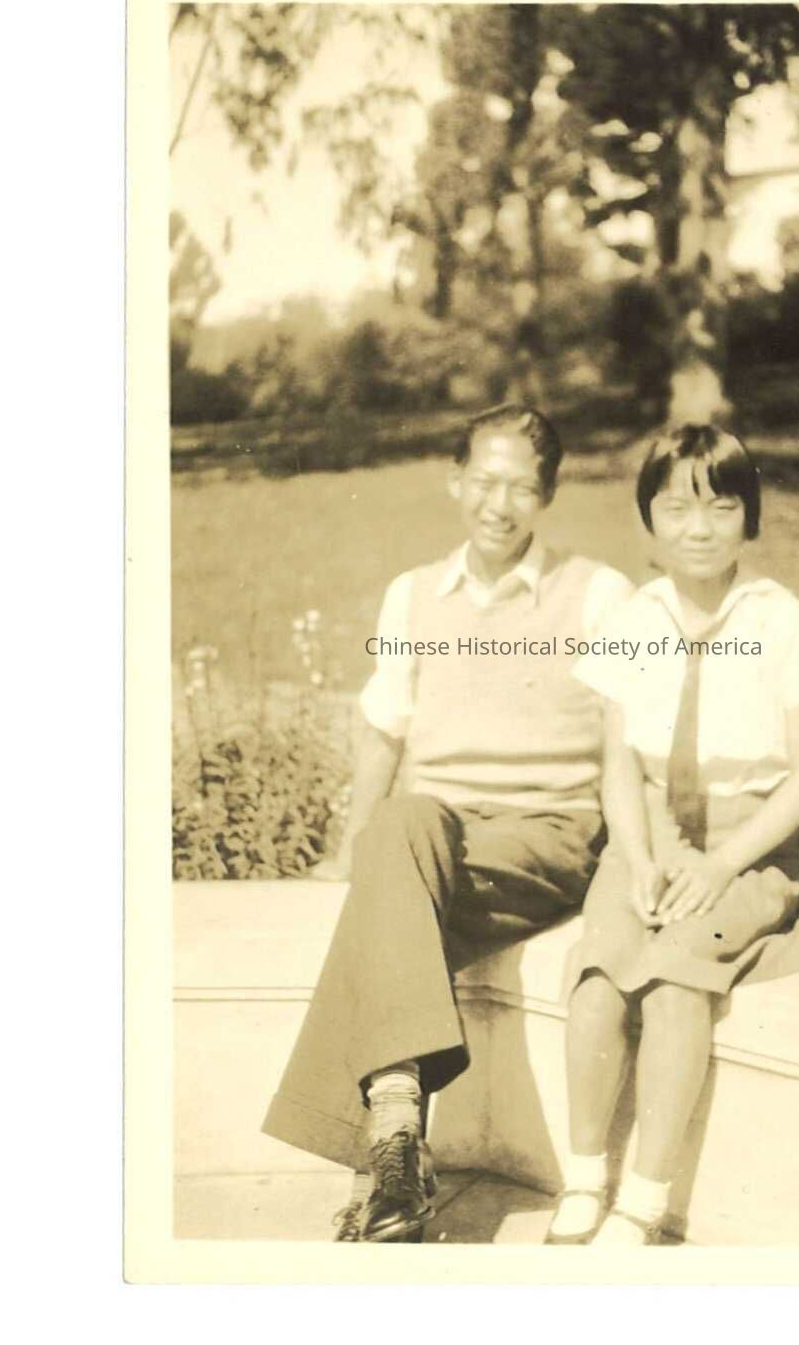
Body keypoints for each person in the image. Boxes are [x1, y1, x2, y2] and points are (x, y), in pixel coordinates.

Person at [262, 405, 632, 1242]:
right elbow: (385, 731)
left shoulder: (598, 593)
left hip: (547, 832)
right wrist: (347, 847)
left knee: (387, 881)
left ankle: (386, 1157)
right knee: (395, 831)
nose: (499, 504)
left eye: (522, 488)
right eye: (485, 481)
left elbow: (628, 738)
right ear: (454, 479)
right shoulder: (411, 594)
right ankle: (395, 1147)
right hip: (438, 836)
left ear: (547, 495)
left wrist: (633, 861)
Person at [546, 425, 799, 1245]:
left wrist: (720, 865)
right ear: (649, 518)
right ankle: (584, 1179)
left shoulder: (785, 621)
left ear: (750, 517)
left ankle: (645, 1199)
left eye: (722, 506)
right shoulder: (633, 619)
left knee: (676, 977)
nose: (700, 527)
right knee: (600, 975)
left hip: (746, 847)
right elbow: (618, 765)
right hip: (646, 839)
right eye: (677, 507)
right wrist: (639, 857)